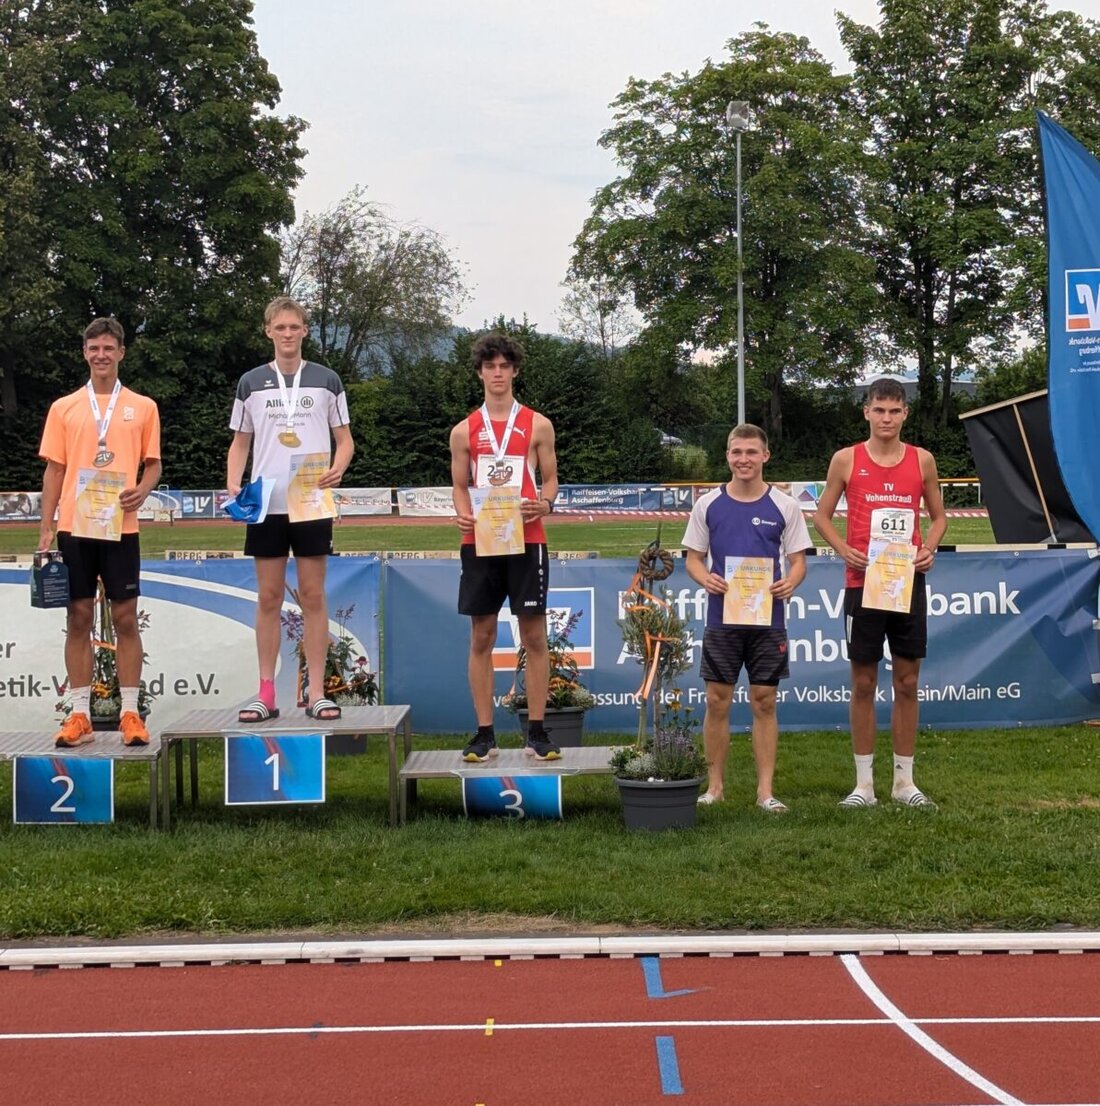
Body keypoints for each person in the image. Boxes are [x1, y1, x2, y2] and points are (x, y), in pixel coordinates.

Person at [813, 377, 947, 808]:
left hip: (906, 582)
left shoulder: (922, 460)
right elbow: (821, 516)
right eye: (879, 410)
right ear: (866, 412)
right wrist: (844, 550)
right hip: (862, 584)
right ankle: (864, 786)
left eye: (894, 411)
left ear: (905, 414)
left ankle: (904, 783)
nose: (886, 418)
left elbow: (939, 518)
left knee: (907, 681)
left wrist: (928, 549)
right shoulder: (846, 459)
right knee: (863, 683)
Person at [227, 296, 354, 723]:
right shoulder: (250, 382)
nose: (287, 334)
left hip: (311, 500)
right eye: (279, 327)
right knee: (268, 597)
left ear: (304, 331)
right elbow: (240, 442)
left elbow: (345, 439)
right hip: (266, 503)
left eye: (293, 327)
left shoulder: (327, 379)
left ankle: (316, 692)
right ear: (268, 331)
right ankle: (265, 693)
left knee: (313, 596)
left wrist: (338, 467)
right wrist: (233, 481)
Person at [37, 317, 162, 748]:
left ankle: (130, 713)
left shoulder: (143, 406)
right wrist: (46, 527)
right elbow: (55, 470)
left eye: (109, 348)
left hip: (121, 525)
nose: (101, 355)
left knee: (125, 618)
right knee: (79, 618)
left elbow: (153, 464)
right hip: (75, 525)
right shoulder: (64, 407)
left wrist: (143, 490)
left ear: (121, 352)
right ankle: (79, 715)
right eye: (94, 348)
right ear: (85, 353)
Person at [683, 424, 812, 812]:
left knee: (764, 701)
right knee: (717, 701)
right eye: (737, 452)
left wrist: (790, 582)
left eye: (751, 452)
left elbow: (798, 562)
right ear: (727, 456)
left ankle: (765, 792)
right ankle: (715, 788)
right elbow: (693, 559)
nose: (744, 459)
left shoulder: (785, 506)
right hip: (722, 618)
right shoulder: (708, 504)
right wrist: (706, 578)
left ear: (765, 456)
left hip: (768, 620)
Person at [450, 333, 559, 762]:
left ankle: (537, 733)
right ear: (480, 372)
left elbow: (550, 479)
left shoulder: (538, 424)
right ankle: (484, 735)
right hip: (481, 540)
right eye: (490, 366)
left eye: (504, 366)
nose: (497, 373)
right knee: (482, 635)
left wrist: (545, 504)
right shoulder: (464, 430)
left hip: (527, 538)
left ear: (514, 371)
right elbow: (460, 486)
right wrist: (463, 514)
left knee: (533, 635)